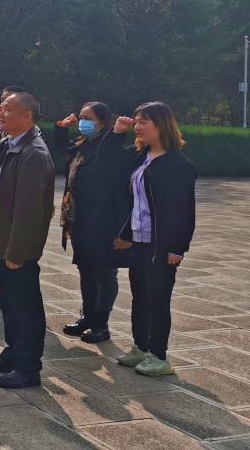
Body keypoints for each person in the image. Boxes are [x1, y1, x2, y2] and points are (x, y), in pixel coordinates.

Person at [0, 93, 55, 389]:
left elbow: (29, 210)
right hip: (0, 235)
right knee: (9, 301)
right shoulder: (9, 144)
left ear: (27, 116)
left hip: (17, 245)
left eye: (7, 109)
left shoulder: (34, 153)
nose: (0, 112)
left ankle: (28, 367)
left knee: (24, 306)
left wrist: (16, 252)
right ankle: (13, 354)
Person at [110, 102, 196, 377]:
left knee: (158, 300)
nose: (137, 126)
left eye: (143, 121)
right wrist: (116, 133)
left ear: (161, 125)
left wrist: (177, 248)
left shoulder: (177, 165)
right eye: (136, 121)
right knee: (140, 298)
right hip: (139, 241)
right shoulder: (142, 157)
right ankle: (141, 346)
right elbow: (109, 164)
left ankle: (159, 355)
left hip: (162, 245)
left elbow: (183, 211)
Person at [55, 102, 129, 343]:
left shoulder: (107, 148)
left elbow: (111, 174)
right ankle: (88, 316)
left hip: (103, 220)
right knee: (85, 269)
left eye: (87, 118)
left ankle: (101, 324)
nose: (81, 122)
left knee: (104, 272)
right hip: (79, 218)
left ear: (102, 122)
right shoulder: (83, 144)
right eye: (81, 117)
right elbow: (61, 149)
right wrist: (61, 128)